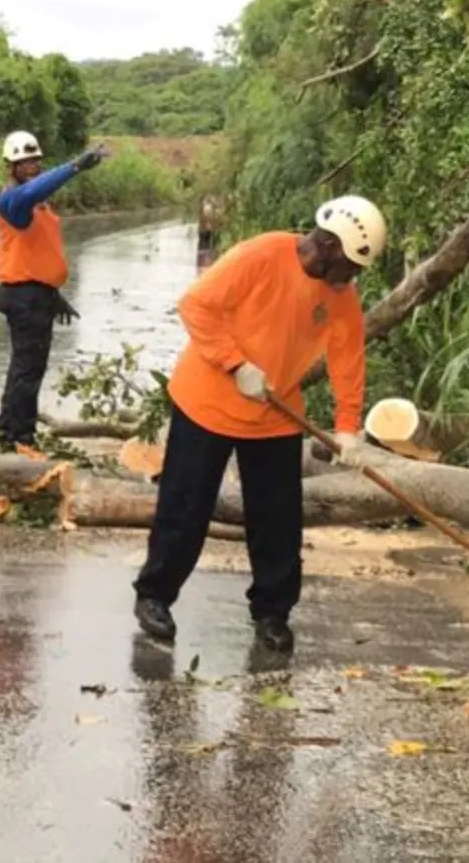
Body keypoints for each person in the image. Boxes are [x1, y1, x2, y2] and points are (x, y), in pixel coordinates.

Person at [131, 195, 384, 654]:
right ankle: (154, 596)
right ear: (326, 245)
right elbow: (196, 305)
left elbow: (348, 356)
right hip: (206, 403)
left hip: (276, 412)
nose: (351, 278)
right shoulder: (261, 255)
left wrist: (349, 427)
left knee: (278, 520)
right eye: (348, 265)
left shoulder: (340, 295)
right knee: (185, 508)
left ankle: (272, 612)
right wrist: (235, 364)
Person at [0, 130, 109, 455]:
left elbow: (36, 254)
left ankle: (8, 432)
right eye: (23, 163)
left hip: (36, 294)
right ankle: (18, 438)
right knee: (27, 370)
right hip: (23, 296)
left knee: (27, 367)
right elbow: (32, 193)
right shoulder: (13, 202)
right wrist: (74, 167)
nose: (32, 167)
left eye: (35, 162)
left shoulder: (38, 205)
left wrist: (54, 295)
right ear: (10, 167)